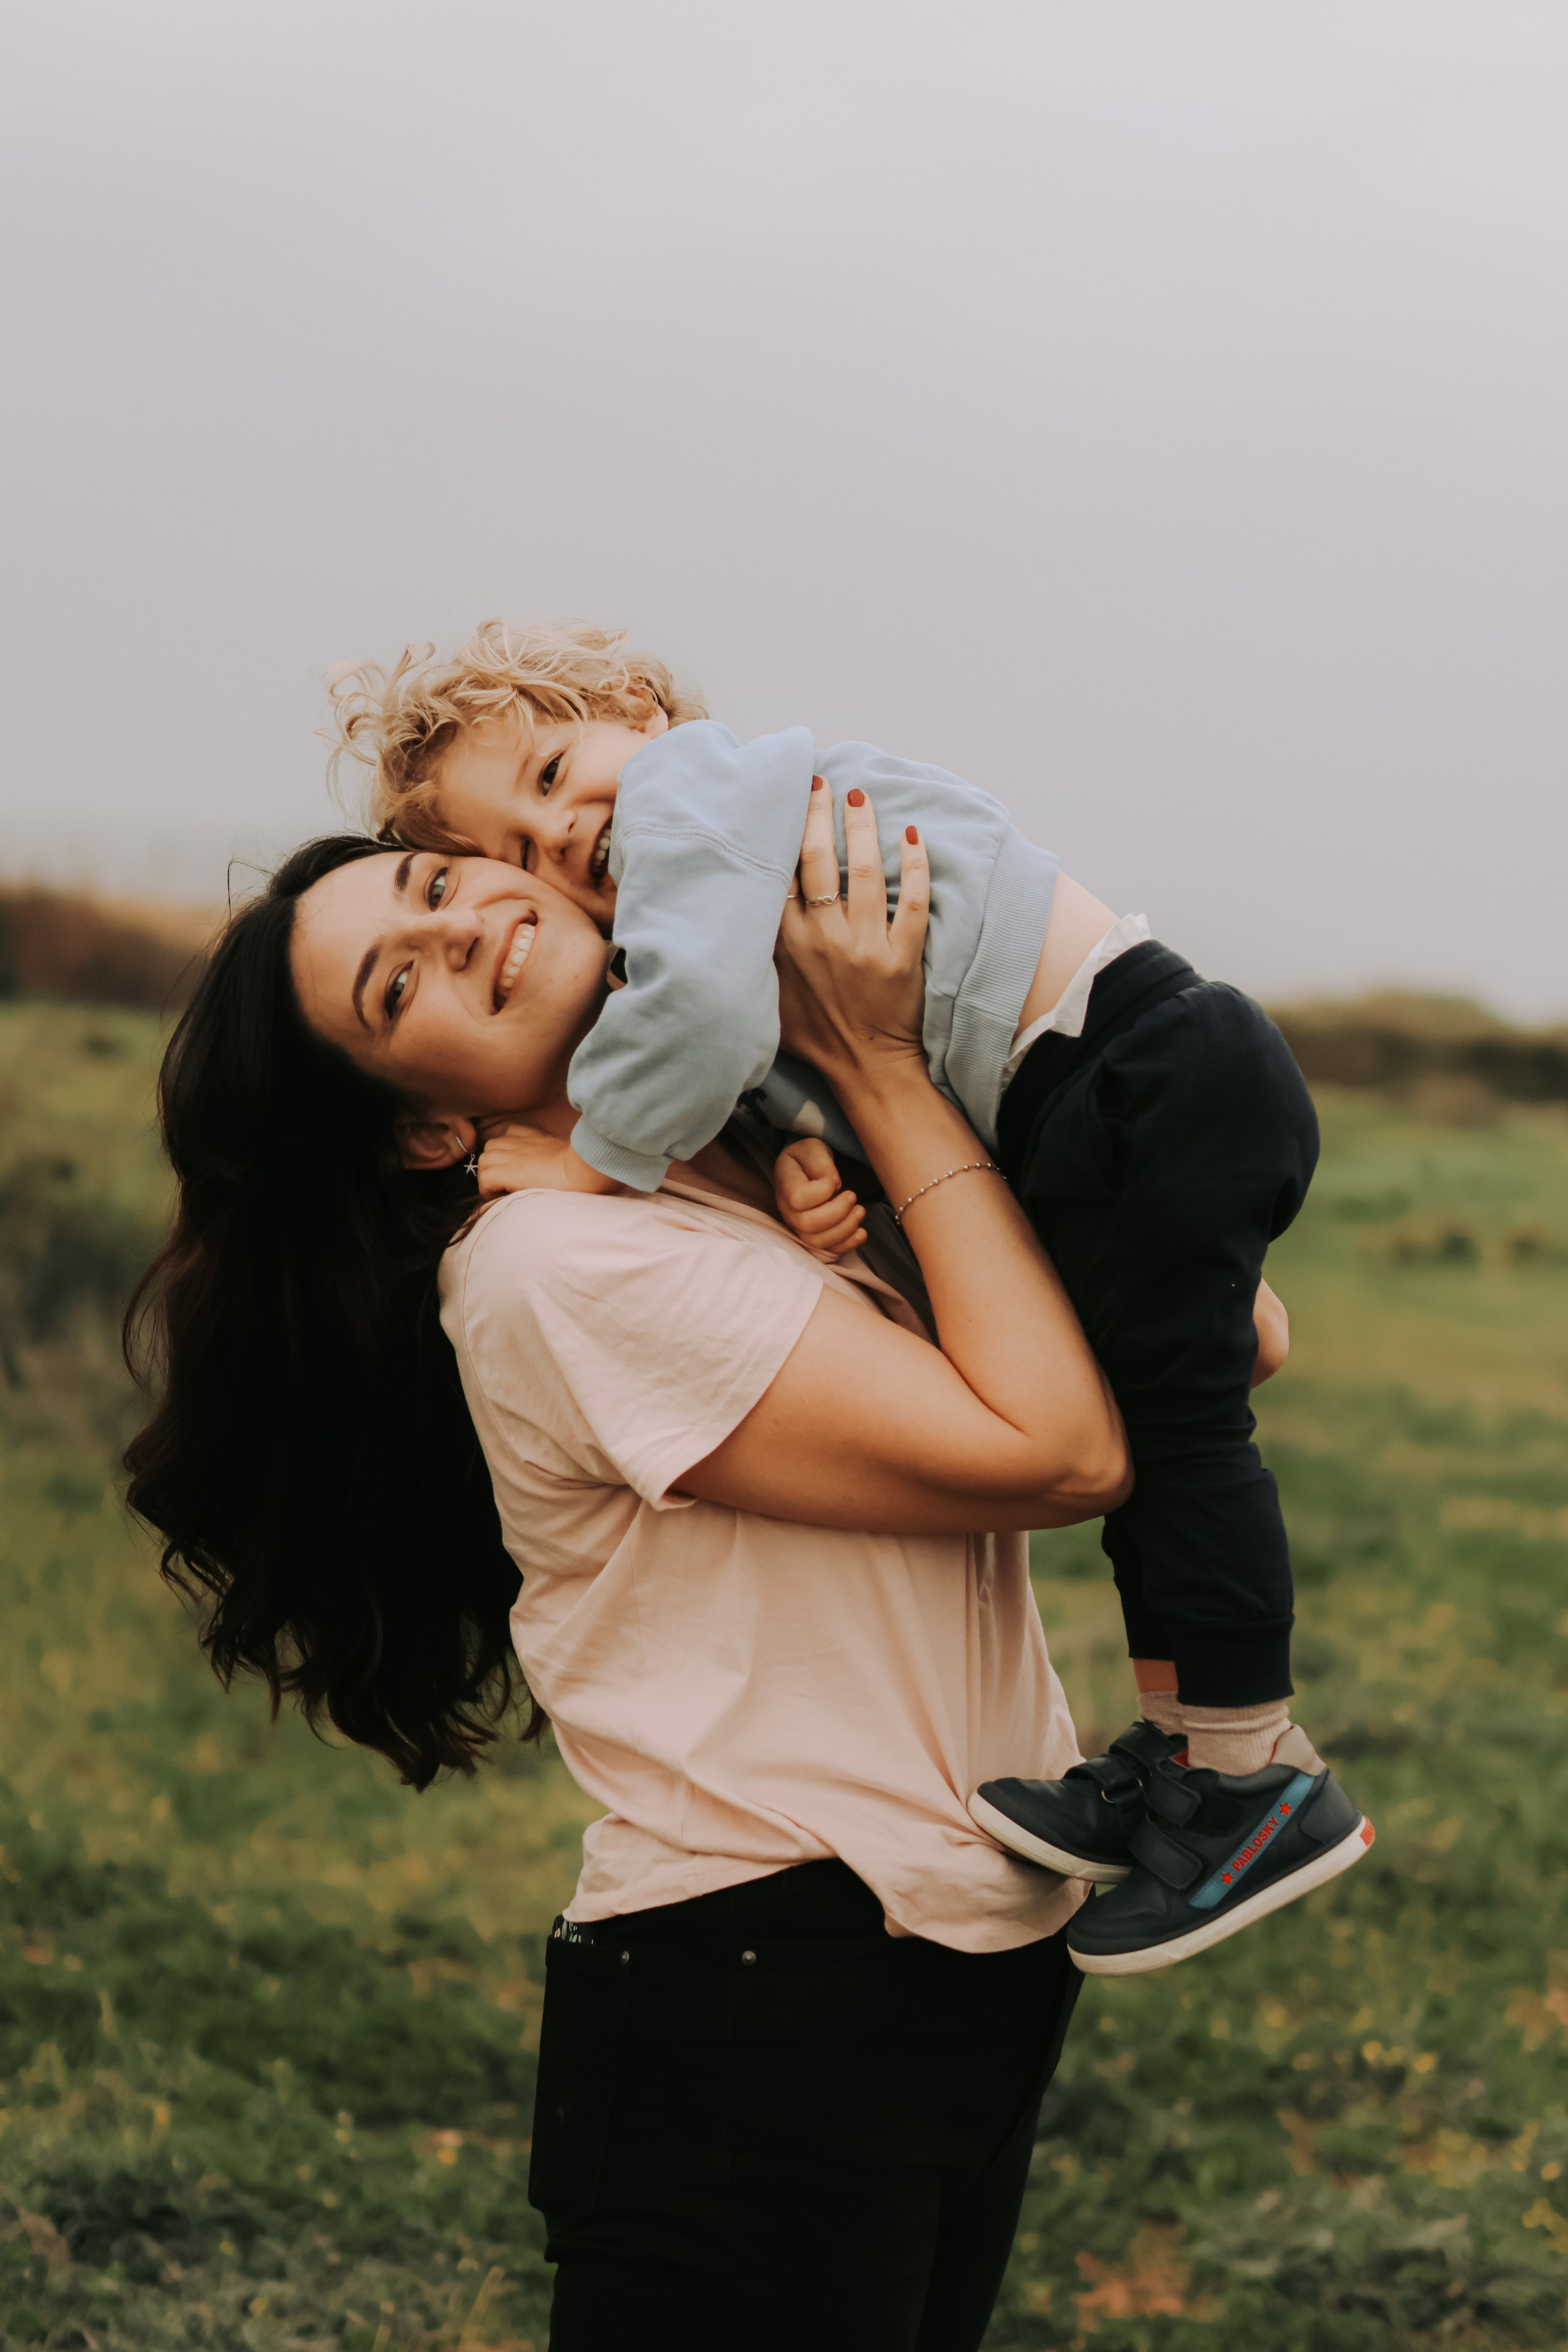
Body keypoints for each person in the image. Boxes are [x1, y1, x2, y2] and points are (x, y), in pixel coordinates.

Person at [126, 796, 1129, 2350]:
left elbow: (1218, 1338)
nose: (455, 927)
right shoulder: (556, 1269)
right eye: (401, 988)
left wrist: (848, 1077)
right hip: (768, 1993)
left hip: (965, 1962)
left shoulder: (744, 1166)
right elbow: (1065, 1452)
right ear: (424, 1129)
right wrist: (873, 1064)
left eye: (435, 883)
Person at [326, 619, 1373, 1973]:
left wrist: (592, 1157)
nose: (557, 838)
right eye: (514, 850)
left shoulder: (698, 796)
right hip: (1074, 1106)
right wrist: (822, 1187)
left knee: (1180, 1442)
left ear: (638, 709)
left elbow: (705, 1023)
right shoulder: (695, 930)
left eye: (551, 770)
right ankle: (1186, 1752)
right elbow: (791, 1064)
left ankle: (1248, 1774)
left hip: (1127, 1064)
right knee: (1175, 1430)